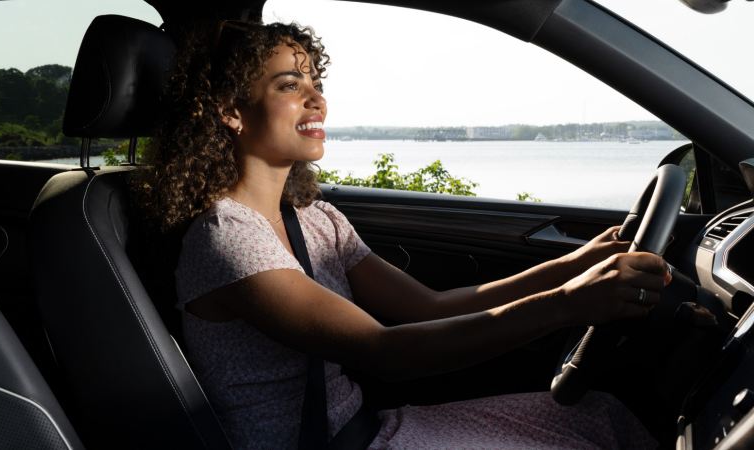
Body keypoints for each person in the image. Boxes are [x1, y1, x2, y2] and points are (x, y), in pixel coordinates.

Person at [135, 19, 670, 449]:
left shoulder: (317, 219)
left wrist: (573, 266)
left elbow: (432, 306)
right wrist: (569, 303)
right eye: (289, 86)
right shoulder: (227, 238)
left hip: (368, 429)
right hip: (327, 443)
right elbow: (386, 351)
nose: (316, 101)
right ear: (231, 112)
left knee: (597, 416)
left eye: (316, 87)